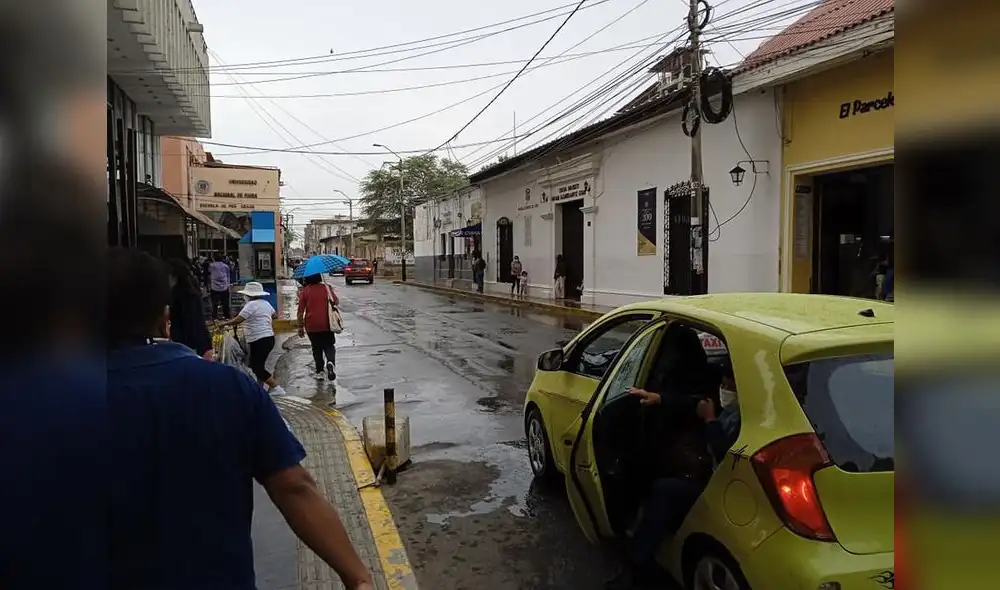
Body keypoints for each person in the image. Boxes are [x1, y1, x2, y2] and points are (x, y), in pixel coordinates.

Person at [105, 247, 375, 590]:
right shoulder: (227, 387)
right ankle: (324, 365)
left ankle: (322, 365)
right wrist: (357, 576)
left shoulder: (46, 400)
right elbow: (293, 486)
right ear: (164, 316)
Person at [607, 349, 742, 590]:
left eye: (728, 385)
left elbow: (728, 455)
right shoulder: (729, 409)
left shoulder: (744, 417)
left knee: (665, 491)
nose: (724, 390)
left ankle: (639, 564)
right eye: (722, 383)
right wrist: (658, 398)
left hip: (721, 484)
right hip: (702, 468)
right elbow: (694, 403)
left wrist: (710, 422)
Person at [219, 282, 287, 396]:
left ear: (248, 295)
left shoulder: (250, 305)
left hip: (258, 339)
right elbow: (274, 315)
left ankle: (276, 388)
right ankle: (260, 388)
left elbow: (238, 319)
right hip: (269, 338)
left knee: (256, 367)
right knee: (259, 364)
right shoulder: (266, 303)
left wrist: (224, 324)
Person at [166, 258, 214, 360]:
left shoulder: (179, 294)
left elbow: (189, 321)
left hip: (186, 341)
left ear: (174, 276)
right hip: (198, 338)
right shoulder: (192, 288)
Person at [297, 273, 339, 380]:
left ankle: (320, 371)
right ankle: (330, 362)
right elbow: (336, 302)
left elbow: (300, 311)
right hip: (327, 323)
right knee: (329, 345)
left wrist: (300, 327)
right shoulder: (326, 288)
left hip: (311, 325)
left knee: (316, 348)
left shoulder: (305, 291)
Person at [209, 253, 233, 319]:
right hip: (224, 287)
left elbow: (209, 274)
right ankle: (226, 316)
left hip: (214, 287)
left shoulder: (211, 266)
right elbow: (228, 276)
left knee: (214, 304)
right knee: (225, 304)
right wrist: (228, 284)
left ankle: (214, 317)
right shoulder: (226, 266)